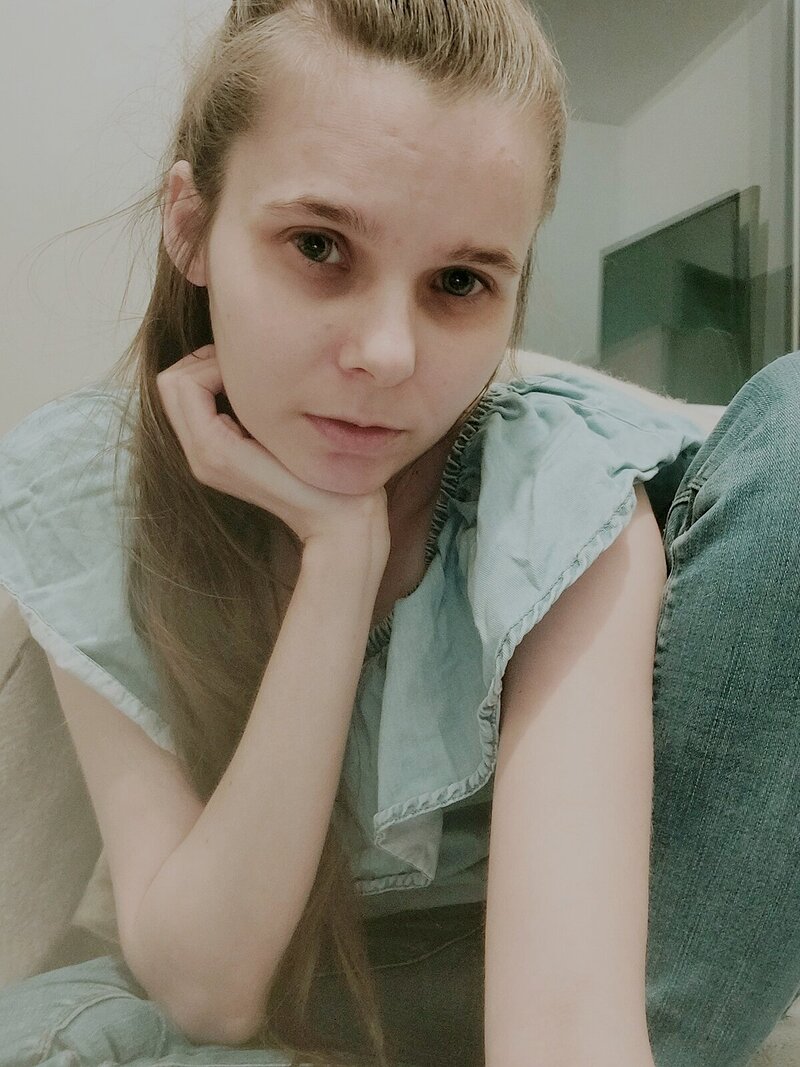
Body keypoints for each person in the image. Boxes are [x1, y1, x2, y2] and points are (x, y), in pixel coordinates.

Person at [0, 1, 798, 1065]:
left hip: (527, 961)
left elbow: (564, 1022)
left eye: (459, 282)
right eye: (318, 246)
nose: (386, 354)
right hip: (273, 981)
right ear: (189, 225)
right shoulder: (88, 490)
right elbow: (208, 986)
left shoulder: (556, 487)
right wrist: (339, 561)